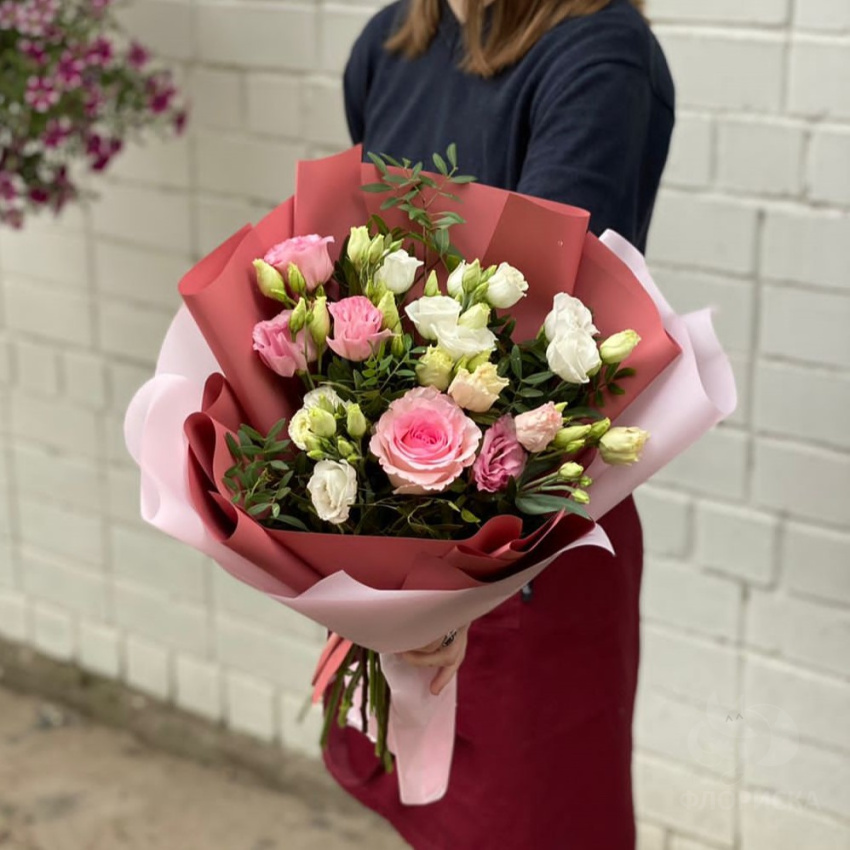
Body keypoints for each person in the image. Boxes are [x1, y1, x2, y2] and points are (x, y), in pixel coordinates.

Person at [323, 1, 675, 847]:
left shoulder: (598, 55)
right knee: (425, 809)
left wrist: (440, 598)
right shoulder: (389, 41)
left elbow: (543, 338)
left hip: (527, 536)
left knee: (533, 821)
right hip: (404, 519)